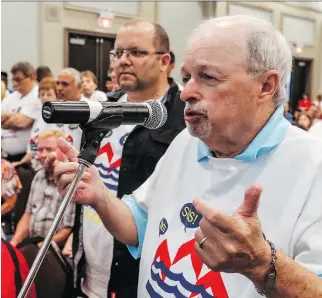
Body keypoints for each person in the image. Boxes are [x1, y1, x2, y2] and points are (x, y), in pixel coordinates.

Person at [50, 15, 322, 298]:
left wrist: (263, 265)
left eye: (208, 77)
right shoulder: (187, 143)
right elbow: (139, 225)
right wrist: (100, 196)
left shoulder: (312, 166)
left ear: (266, 86)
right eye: (186, 78)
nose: (186, 92)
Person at [70, 20, 185, 298]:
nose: (123, 61)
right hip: (89, 269)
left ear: (164, 61)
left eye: (135, 52)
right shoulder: (101, 109)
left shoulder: (183, 118)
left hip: (137, 273)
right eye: (117, 53)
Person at [10, 129, 75, 249]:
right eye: (40, 150)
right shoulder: (38, 176)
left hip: (57, 251)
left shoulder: (72, 180)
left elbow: (68, 230)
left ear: (63, 151)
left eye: (49, 149)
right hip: (34, 244)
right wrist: (12, 246)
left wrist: (40, 249)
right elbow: (28, 215)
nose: (44, 154)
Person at [12, 77, 83, 172]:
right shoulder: (39, 117)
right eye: (42, 94)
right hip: (36, 167)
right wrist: (19, 164)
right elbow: (31, 152)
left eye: (49, 94)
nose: (45, 97)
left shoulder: (67, 118)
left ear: (58, 97)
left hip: (60, 167)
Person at [1, 62, 41, 162]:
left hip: (24, 157)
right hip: (5, 156)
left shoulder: (38, 96)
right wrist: (15, 115)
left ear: (32, 77)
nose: (14, 83)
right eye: (13, 80)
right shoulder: (12, 97)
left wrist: (9, 117)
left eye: (18, 79)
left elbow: (21, 122)